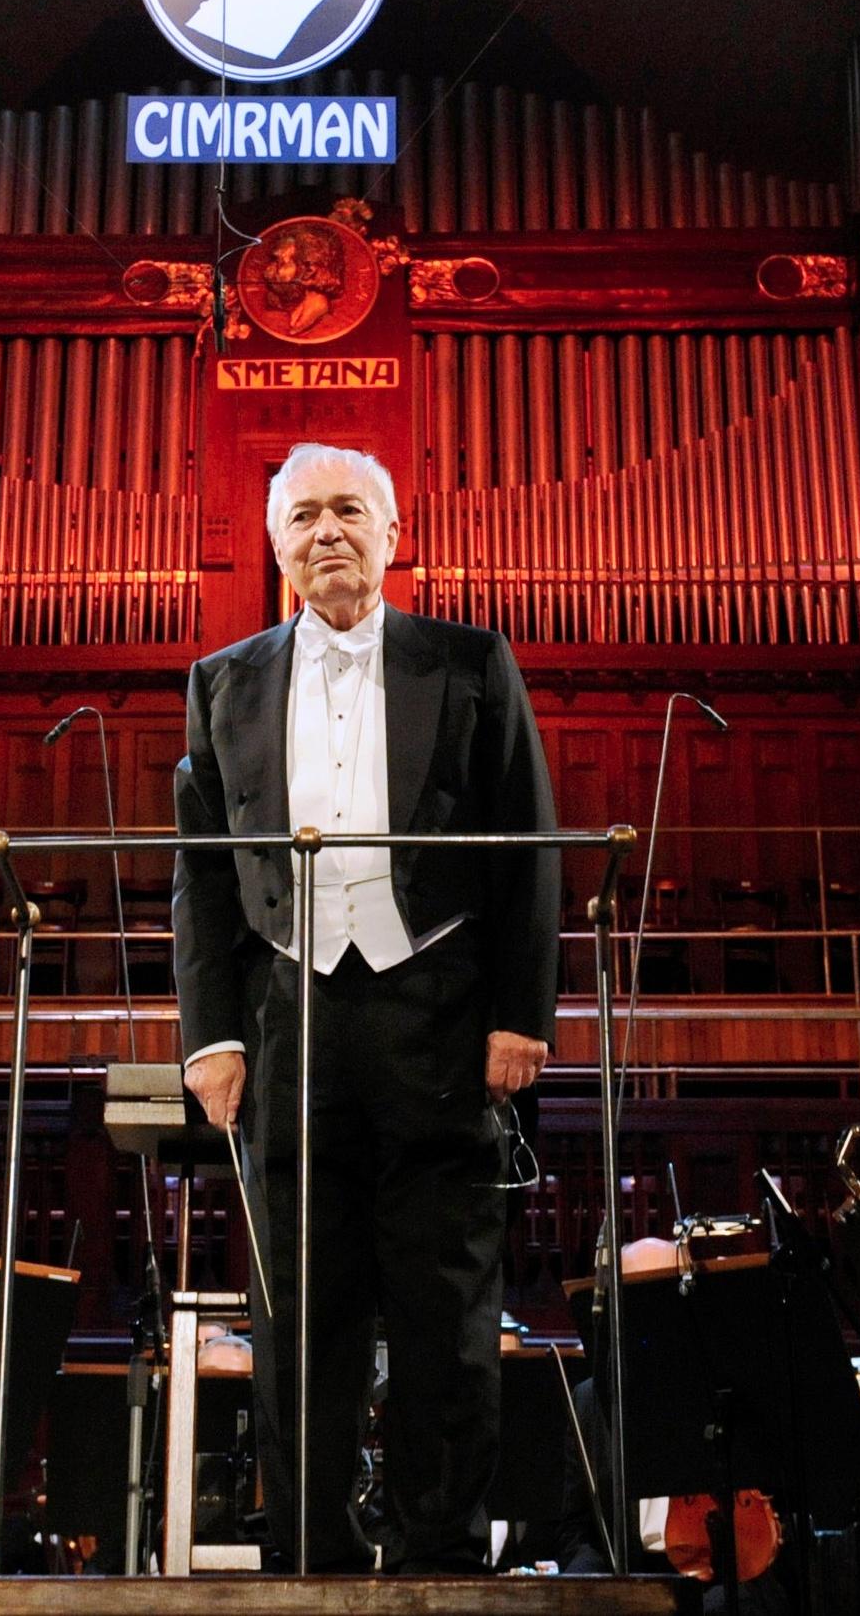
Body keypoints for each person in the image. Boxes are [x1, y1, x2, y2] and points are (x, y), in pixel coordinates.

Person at [173, 441, 560, 1572]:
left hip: (437, 1011)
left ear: (393, 533)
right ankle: (313, 1555)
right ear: (275, 545)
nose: (327, 531)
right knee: (300, 1305)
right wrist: (211, 1034)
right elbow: (202, 876)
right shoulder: (222, 678)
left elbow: (529, 839)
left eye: (349, 510)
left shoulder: (470, 660)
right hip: (288, 1018)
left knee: (446, 1299)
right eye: (303, 516)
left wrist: (520, 1014)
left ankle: (441, 1553)